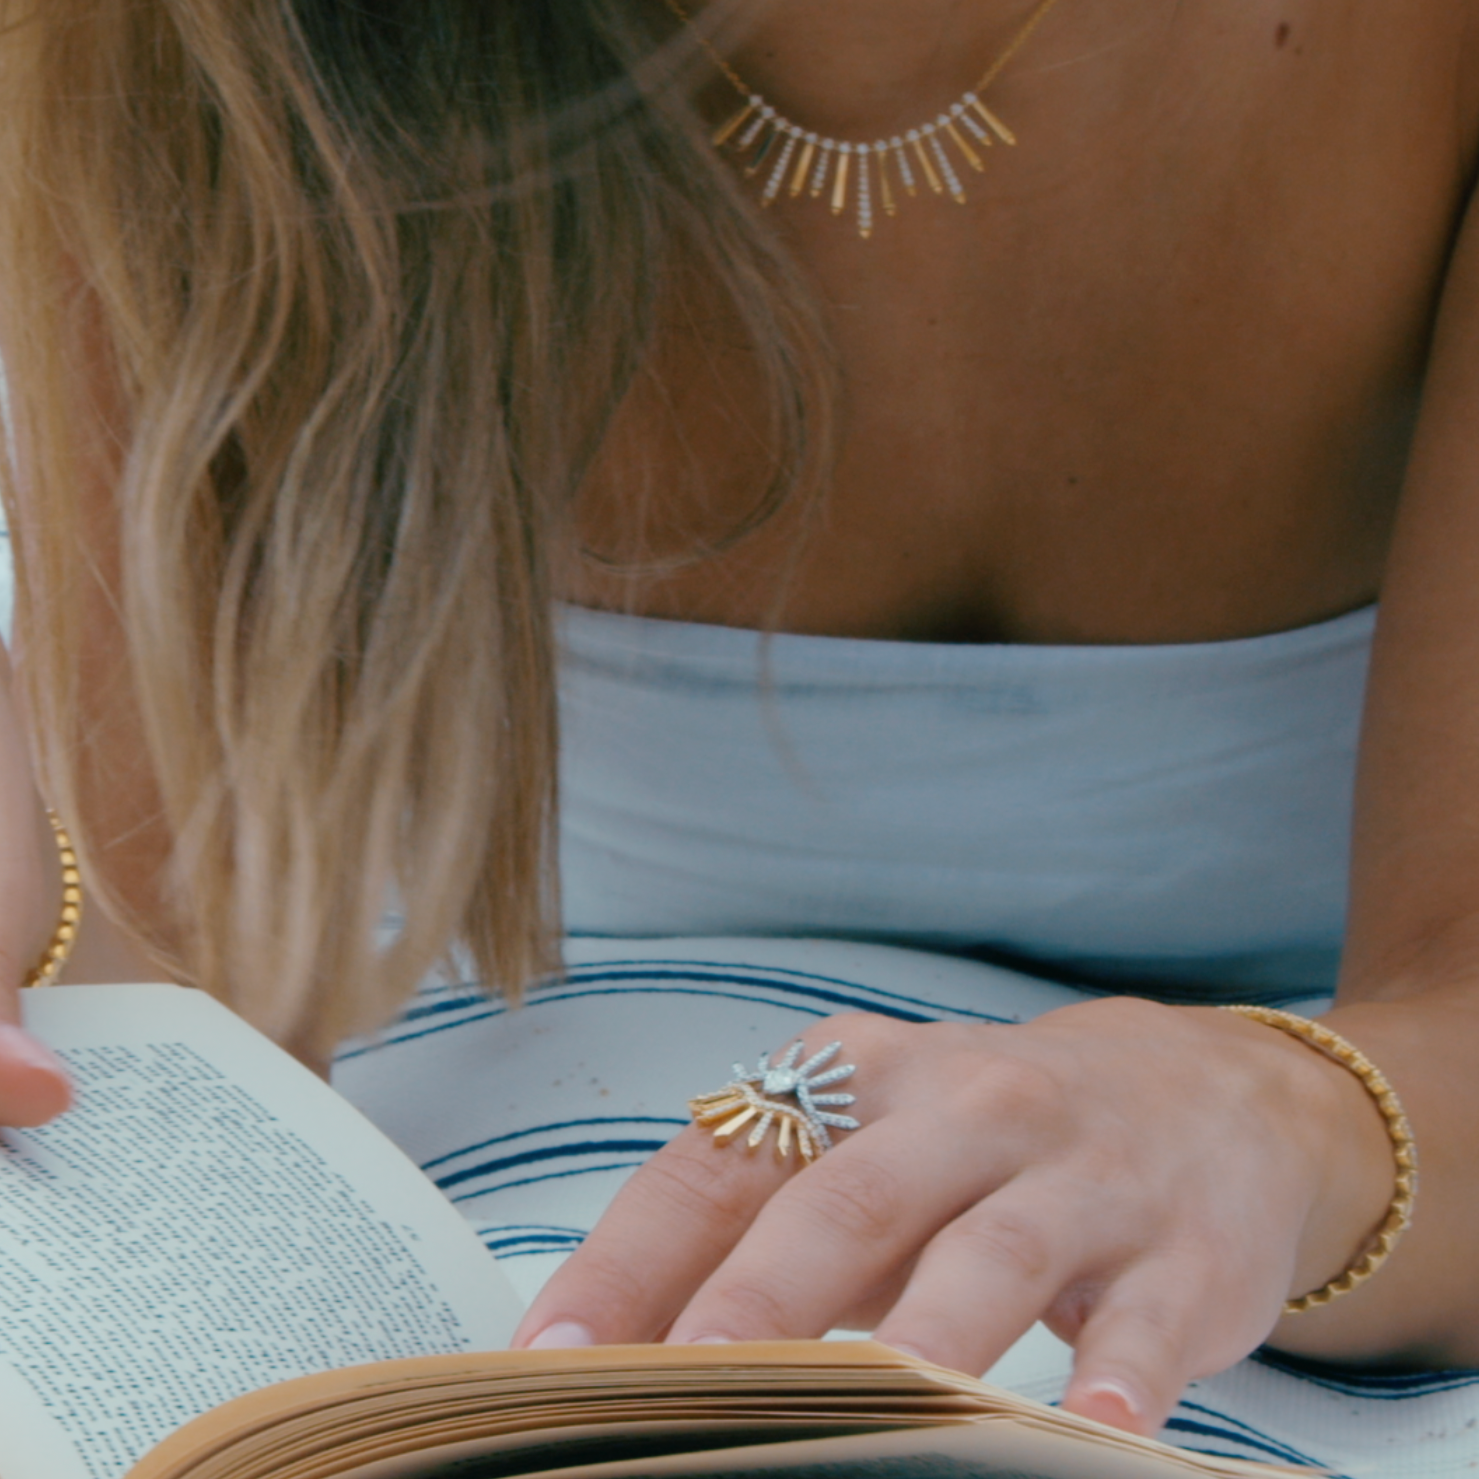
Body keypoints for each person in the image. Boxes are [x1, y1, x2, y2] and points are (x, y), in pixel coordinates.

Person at [0, 0, 1476, 1447]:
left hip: (1274, 1330)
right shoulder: (173, 38)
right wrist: (47, 907)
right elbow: (179, 958)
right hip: (453, 1209)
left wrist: (1286, 1127)